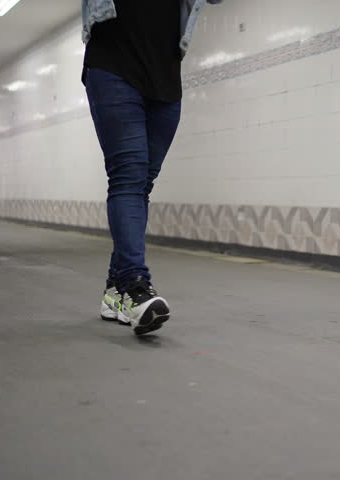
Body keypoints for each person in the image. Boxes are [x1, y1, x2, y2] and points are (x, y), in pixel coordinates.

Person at [81, 0, 222, 336]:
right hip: (113, 62)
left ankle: (114, 293)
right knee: (128, 176)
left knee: (142, 182)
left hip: (165, 72)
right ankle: (134, 284)